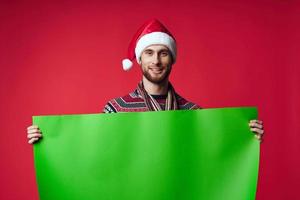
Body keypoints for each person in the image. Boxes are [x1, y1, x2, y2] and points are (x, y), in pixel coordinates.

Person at [27, 19, 264, 144]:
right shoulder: (115, 110)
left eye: (163, 53)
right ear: (139, 59)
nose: (156, 60)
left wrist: (246, 138)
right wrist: (48, 139)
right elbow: (94, 153)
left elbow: (213, 155)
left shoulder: (193, 113)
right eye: (149, 53)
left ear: (172, 59)